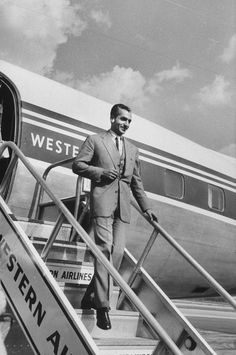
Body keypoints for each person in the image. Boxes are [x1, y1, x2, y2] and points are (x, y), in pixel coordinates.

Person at [72, 103, 158, 330]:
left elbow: (136, 183)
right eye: (122, 120)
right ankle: (102, 307)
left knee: (117, 253)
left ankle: (91, 295)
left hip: (123, 208)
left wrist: (147, 208)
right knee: (104, 249)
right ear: (112, 119)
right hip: (102, 203)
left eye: (129, 121)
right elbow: (78, 165)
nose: (126, 124)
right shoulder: (95, 140)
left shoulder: (132, 149)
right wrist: (99, 172)